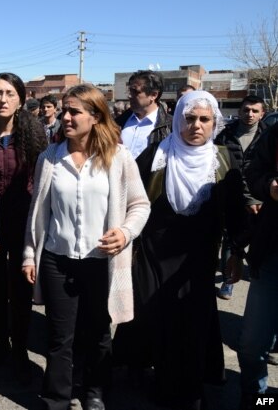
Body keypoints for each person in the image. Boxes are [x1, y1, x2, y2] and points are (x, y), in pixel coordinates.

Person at [113, 91, 245, 409]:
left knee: (191, 323)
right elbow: (130, 198)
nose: (196, 125)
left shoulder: (223, 159)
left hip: (197, 258)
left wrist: (237, 252)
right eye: (189, 118)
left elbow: (236, 209)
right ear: (177, 119)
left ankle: (186, 387)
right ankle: (140, 367)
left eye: (204, 119)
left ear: (214, 123)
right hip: (154, 254)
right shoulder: (156, 156)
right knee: (152, 314)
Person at [22, 84, 150, 410]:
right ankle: (57, 399)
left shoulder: (118, 158)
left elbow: (140, 205)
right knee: (58, 336)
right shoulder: (50, 158)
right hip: (56, 259)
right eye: (64, 110)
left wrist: (125, 232)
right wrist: (28, 254)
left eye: (74, 111)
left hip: (100, 261)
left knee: (98, 332)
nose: (66, 117)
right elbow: (38, 213)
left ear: (95, 116)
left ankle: (94, 391)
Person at [0, 72, 47, 382]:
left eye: (9, 93)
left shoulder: (34, 133)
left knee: (20, 288)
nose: (2, 99)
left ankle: (19, 347)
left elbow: (41, 179)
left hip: (23, 222)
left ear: (20, 99)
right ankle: (0, 342)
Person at [236, 115, 278, 409]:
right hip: (272, 252)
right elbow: (251, 170)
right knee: (252, 345)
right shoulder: (275, 133)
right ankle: (258, 399)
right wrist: (269, 185)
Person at [214, 94, 267, 300]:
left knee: (259, 241)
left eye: (255, 111)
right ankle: (228, 281)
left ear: (262, 114)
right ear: (239, 111)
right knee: (231, 241)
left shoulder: (269, 137)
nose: (250, 114)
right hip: (232, 197)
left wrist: (259, 197)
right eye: (246, 110)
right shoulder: (225, 135)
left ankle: (255, 276)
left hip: (259, 200)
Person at [116, 70, 171, 158]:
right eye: (130, 91)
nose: (129, 96)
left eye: (135, 91)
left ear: (153, 95)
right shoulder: (118, 122)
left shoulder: (169, 127)